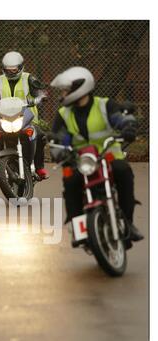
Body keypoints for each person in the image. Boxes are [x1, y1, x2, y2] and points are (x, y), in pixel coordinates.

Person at [50, 66, 143, 242]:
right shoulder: (64, 114)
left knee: (123, 171)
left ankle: (128, 223)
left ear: (79, 88)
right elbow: (58, 139)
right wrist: (59, 152)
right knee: (70, 181)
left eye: (65, 91)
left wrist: (128, 127)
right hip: (82, 162)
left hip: (109, 157)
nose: (62, 95)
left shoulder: (104, 105)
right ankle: (79, 228)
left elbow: (120, 118)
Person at [0, 51, 49, 180]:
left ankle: (39, 167)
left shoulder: (29, 78)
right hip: (4, 120)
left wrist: (39, 98)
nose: (10, 73)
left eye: (14, 70)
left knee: (41, 136)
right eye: (7, 70)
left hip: (27, 119)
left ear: (20, 68)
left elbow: (41, 92)